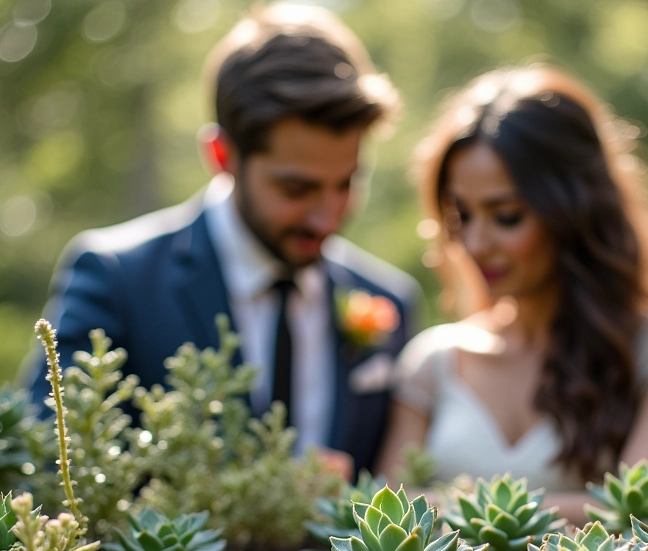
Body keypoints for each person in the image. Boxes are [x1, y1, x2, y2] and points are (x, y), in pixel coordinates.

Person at [24, 3, 422, 478]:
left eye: (348, 183)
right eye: (297, 189)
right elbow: (50, 462)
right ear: (221, 154)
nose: (327, 218)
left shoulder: (388, 300)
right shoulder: (116, 279)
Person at [376, 64, 648, 523]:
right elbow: (383, 516)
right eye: (461, 216)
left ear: (575, 210)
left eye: (506, 216)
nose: (475, 244)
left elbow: (646, 517)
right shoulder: (433, 363)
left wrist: (443, 508)